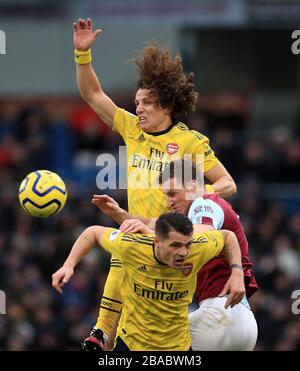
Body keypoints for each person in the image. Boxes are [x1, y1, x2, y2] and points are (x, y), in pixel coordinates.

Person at [73, 18, 237, 349]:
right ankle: (104, 332)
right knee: (125, 245)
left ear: (166, 104)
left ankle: (105, 331)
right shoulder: (132, 129)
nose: (139, 109)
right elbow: (92, 94)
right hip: (141, 231)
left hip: (170, 239)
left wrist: (190, 196)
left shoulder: (188, 142)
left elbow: (227, 184)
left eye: (146, 103)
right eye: (136, 103)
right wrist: (82, 55)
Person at [93, 159, 258, 351]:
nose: (169, 201)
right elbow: (153, 224)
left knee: (148, 340)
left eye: (173, 193)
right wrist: (118, 213)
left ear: (193, 186)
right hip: (241, 323)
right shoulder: (191, 218)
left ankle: (103, 336)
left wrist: (147, 239)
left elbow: (202, 233)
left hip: (219, 319)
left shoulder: (204, 204)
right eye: (166, 195)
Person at [52, 212, 245, 351]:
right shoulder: (132, 246)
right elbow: (93, 232)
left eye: (187, 245)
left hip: (177, 349)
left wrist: (237, 272)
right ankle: (101, 330)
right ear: (156, 241)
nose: (184, 252)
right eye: (175, 245)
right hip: (130, 345)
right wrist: (69, 265)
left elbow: (228, 236)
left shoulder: (198, 249)